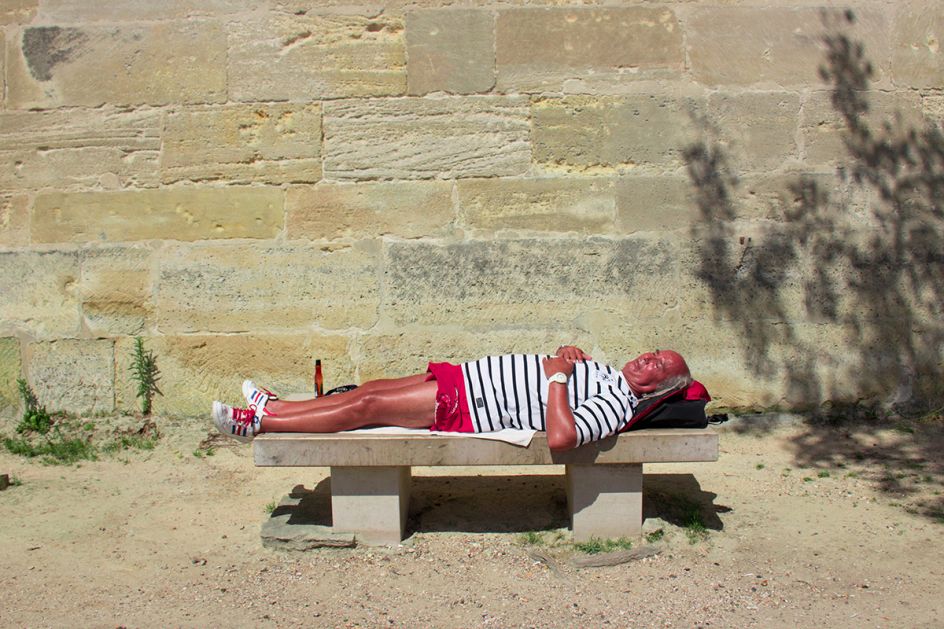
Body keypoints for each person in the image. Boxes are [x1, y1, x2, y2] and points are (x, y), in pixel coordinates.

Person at [212, 346, 691, 452]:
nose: (646, 359)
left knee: (367, 409)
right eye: (651, 352)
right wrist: (569, 359)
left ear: (656, 387)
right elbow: (559, 374)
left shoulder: (618, 405)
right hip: (468, 380)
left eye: (657, 365)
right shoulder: (608, 375)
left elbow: (563, 436)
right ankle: (275, 407)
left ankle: (257, 425)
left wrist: (559, 378)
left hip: (473, 406)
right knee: (369, 390)